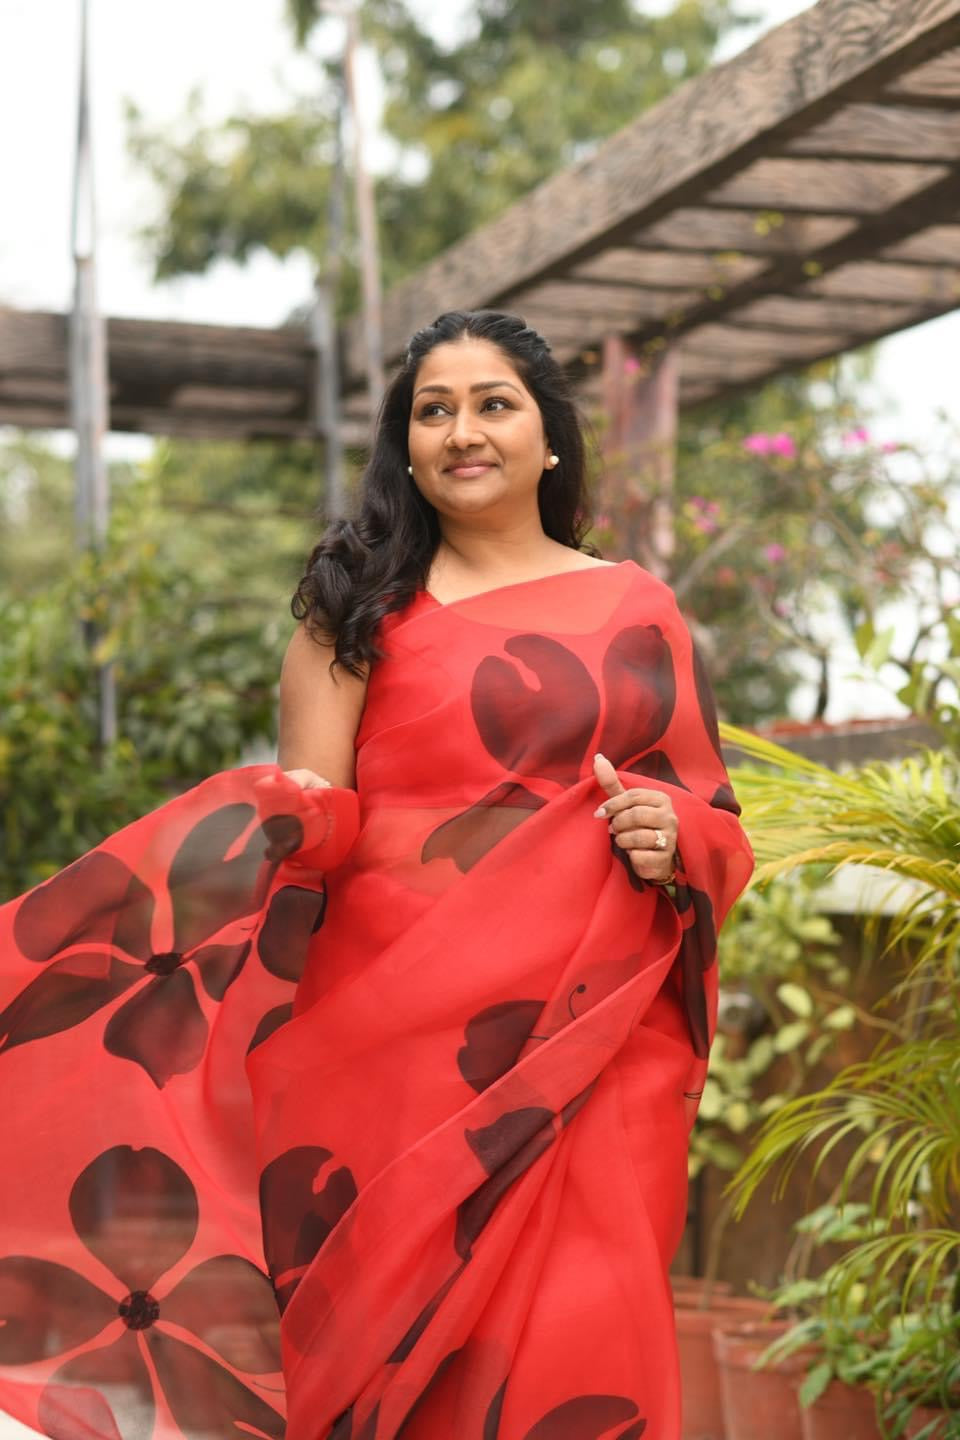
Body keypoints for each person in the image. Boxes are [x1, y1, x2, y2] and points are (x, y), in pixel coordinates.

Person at [0, 309, 753, 1440]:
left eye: (493, 404)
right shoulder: (357, 608)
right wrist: (259, 828)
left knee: (580, 1329)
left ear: (551, 438)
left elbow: (710, 809)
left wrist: (673, 833)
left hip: (588, 1034)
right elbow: (320, 811)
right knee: (389, 1352)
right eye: (432, 410)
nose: (462, 430)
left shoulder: (636, 606)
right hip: (391, 1039)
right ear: (404, 445)